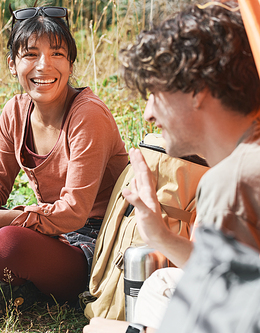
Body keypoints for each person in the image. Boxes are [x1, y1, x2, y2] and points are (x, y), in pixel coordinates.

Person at [0, 5, 129, 321]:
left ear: (70, 64)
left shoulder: (88, 116)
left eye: (57, 54)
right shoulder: (15, 111)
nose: (44, 66)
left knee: (6, 245)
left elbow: (73, 213)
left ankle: (5, 280)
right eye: (30, 54)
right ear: (13, 65)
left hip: (91, 246)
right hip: (48, 232)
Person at [84, 2, 260, 333]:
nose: (148, 113)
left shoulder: (232, 184)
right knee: (162, 282)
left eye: (154, 93)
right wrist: (160, 236)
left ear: (197, 90)